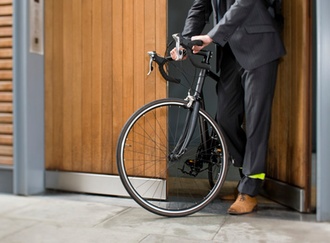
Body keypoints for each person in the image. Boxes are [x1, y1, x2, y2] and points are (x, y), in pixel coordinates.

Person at [170, 0, 286, 215]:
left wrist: (211, 36)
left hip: (259, 45)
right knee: (224, 118)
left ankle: (250, 190)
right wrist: (185, 41)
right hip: (231, 51)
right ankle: (246, 178)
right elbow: (200, 7)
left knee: (256, 120)